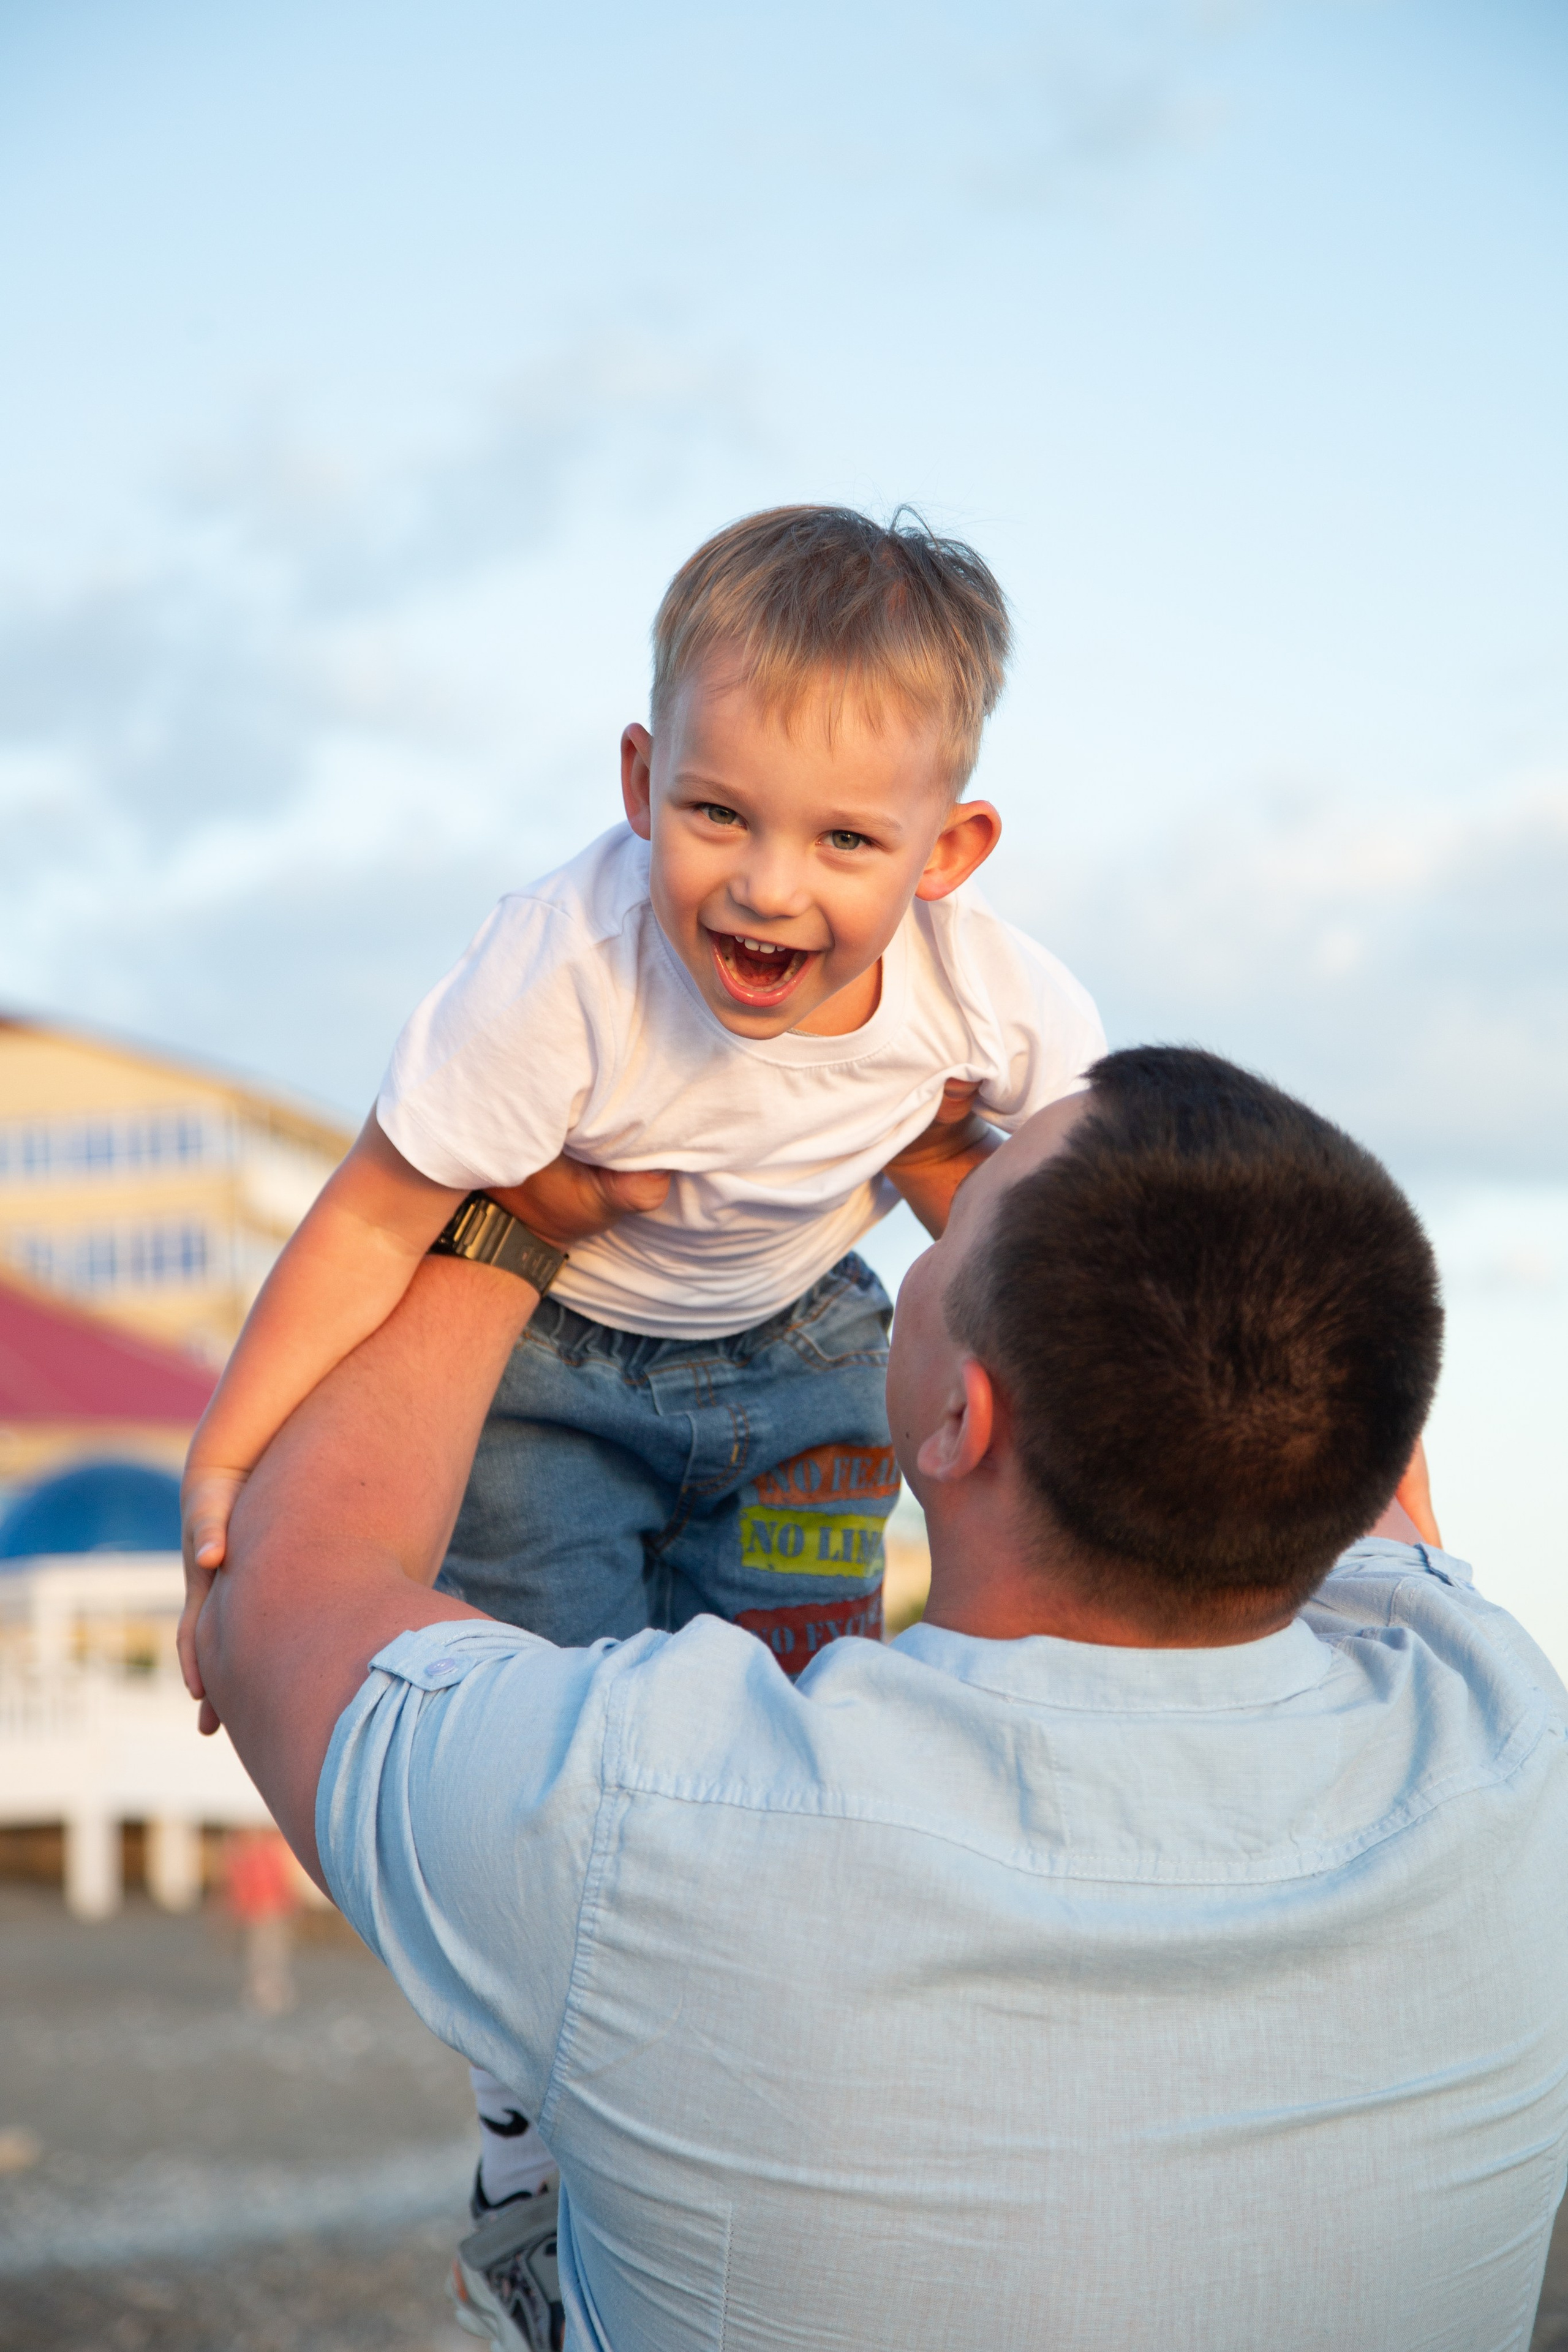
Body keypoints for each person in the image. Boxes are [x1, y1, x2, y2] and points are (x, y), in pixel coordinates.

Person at [192, 1042, 1568, 2350]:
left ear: (962, 1420)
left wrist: (507, 1229)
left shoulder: (656, 1812)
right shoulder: (1506, 1751)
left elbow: (286, 1603)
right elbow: (1338, 1415)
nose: (933, 1207)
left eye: (961, 1217)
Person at [178, 507, 1103, 2226]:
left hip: (813, 1364)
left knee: (805, 1717)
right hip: (559, 1371)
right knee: (542, 1737)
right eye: (717, 813)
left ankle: (804, 2060)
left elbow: (1091, 1208)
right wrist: (226, 1456)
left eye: (844, 839)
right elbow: (375, 1219)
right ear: (637, 782)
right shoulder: (559, 971)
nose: (767, 884)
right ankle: (530, 2114)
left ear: (948, 849)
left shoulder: (994, 999)